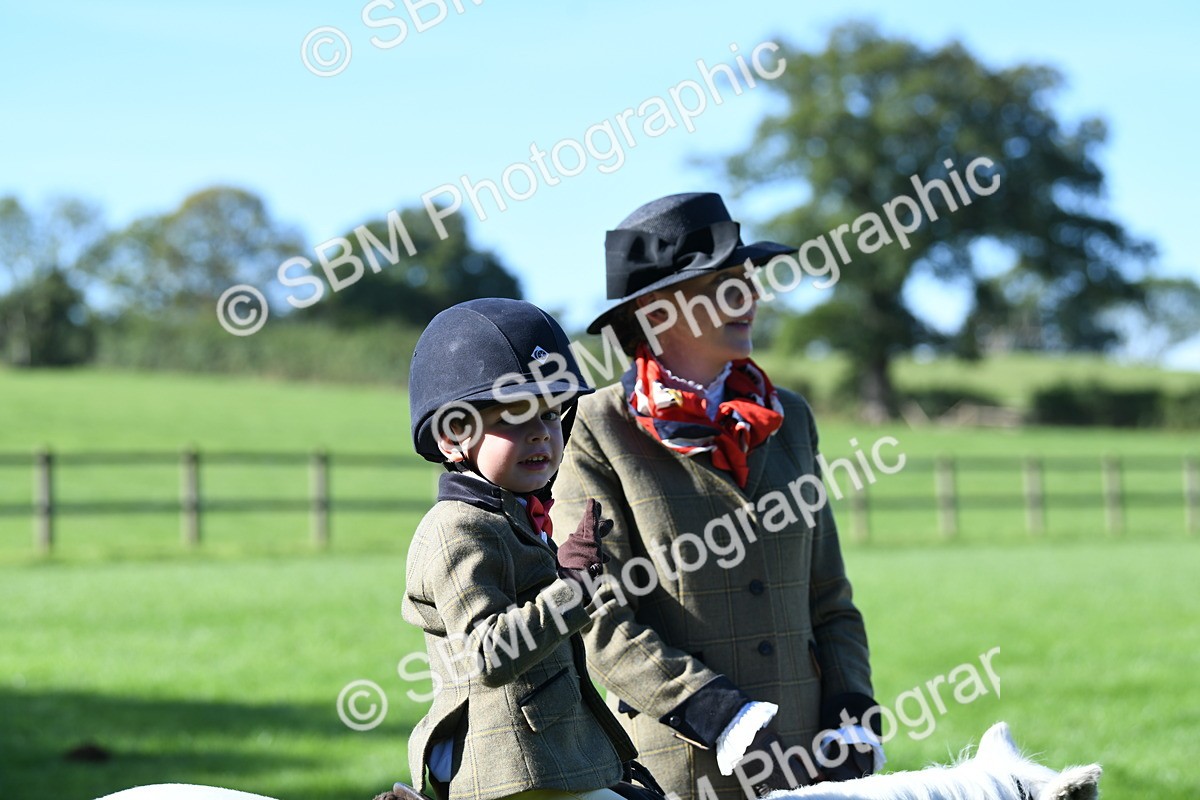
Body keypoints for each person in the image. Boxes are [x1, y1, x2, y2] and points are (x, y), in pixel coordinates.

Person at [550, 194, 884, 800]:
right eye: (728, 285)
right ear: (656, 308)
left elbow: (829, 597)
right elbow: (597, 617)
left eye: (749, 282)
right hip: (684, 770)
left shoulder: (791, 418)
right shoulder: (594, 429)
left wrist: (852, 712)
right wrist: (714, 712)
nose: (752, 299)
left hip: (813, 764)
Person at [399, 298, 664, 800]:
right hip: (508, 771)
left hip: (556, 759)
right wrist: (570, 589)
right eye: (517, 414)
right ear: (455, 434)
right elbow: (487, 654)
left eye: (551, 412)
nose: (542, 431)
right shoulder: (456, 529)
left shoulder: (514, 516)